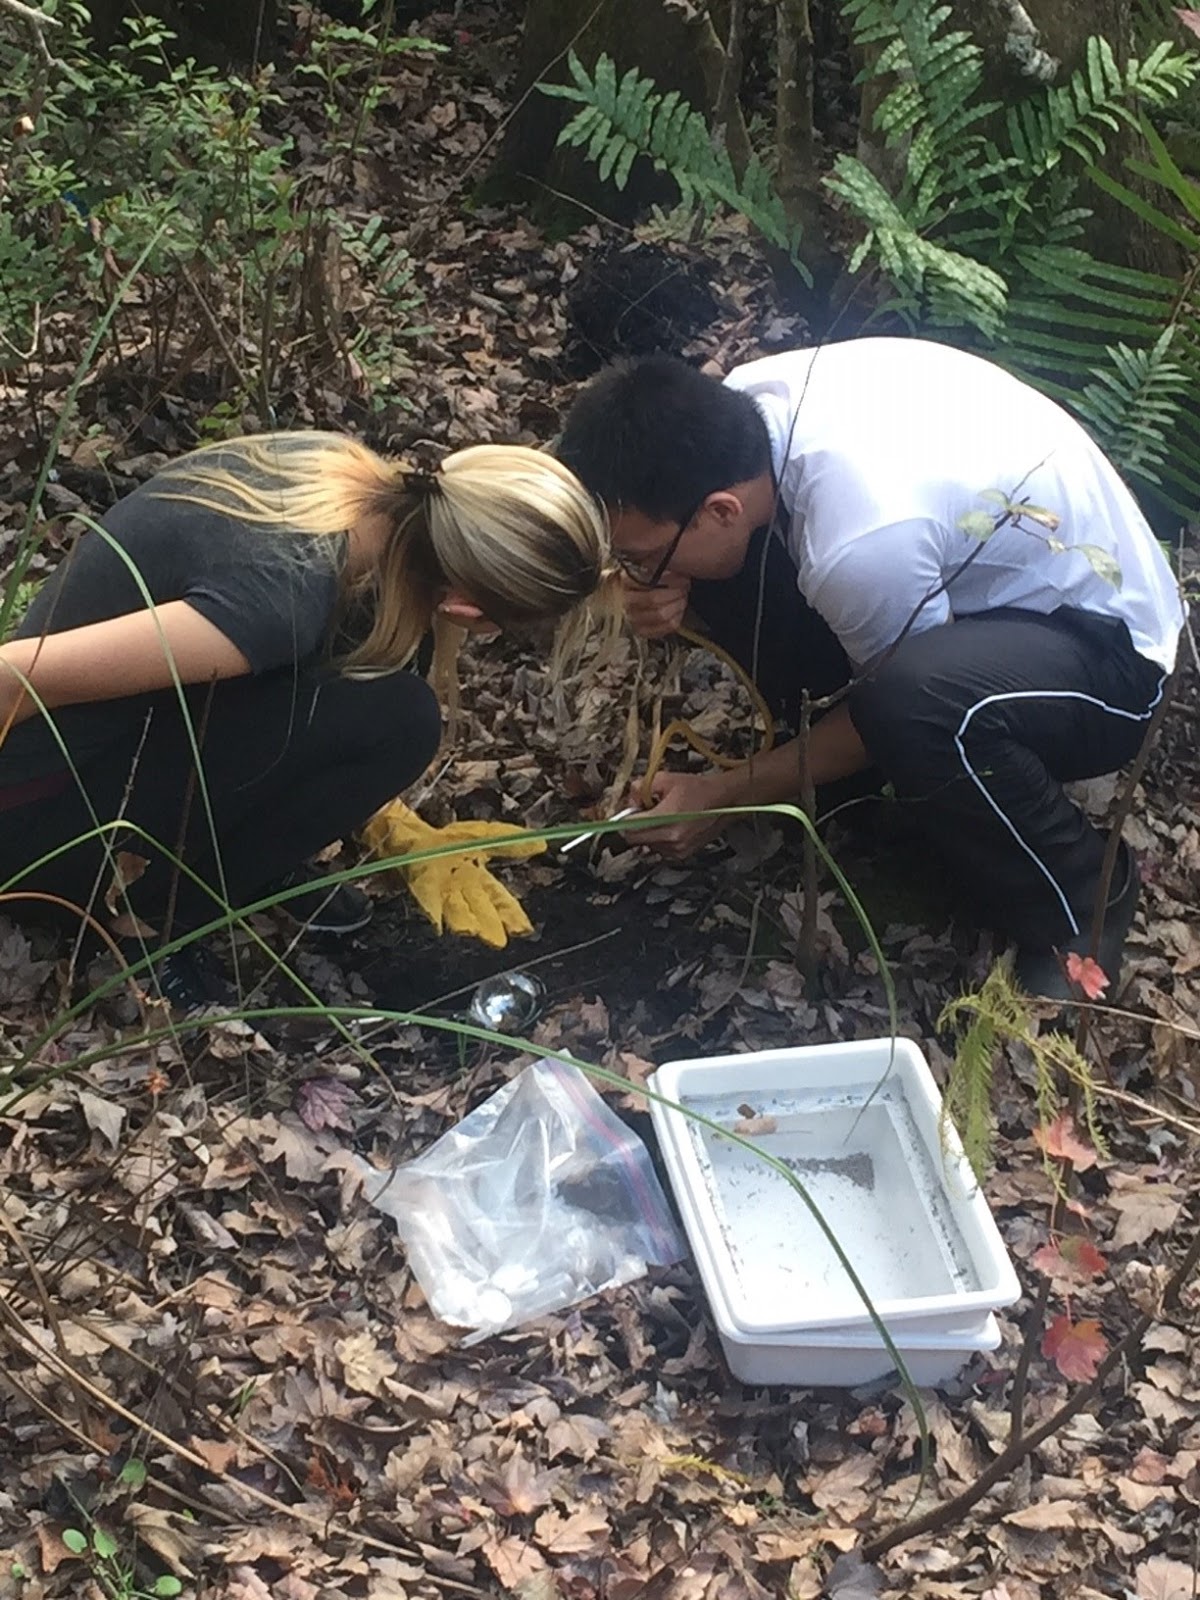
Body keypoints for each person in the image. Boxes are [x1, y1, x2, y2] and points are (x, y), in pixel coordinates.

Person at [556, 337, 1184, 998]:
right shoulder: (745, 410)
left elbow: (880, 705)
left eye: (643, 556)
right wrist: (664, 580)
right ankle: (853, 787)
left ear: (720, 510)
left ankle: (1084, 901)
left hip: (1112, 657)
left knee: (912, 705)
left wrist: (728, 791)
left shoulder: (860, 541)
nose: (637, 573)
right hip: (972, 595)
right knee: (736, 573)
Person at [0, 433, 612, 1009]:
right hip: (31, 828)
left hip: (96, 758)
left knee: (378, 661)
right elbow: (13, 678)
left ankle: (239, 857)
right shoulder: (281, 594)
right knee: (400, 719)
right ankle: (145, 923)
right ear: (467, 608)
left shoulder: (339, 477)